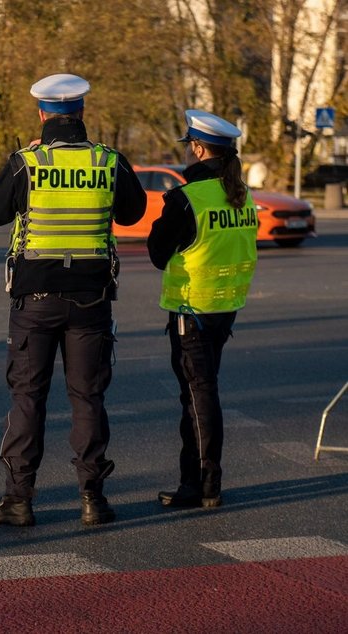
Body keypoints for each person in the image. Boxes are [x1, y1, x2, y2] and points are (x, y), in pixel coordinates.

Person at [0, 73, 146, 527]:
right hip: (91, 299)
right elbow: (134, 213)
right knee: (88, 397)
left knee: (28, 397)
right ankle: (93, 498)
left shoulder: (28, 162)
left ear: (42, 114)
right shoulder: (108, 161)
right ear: (82, 112)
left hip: (35, 300)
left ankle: (18, 500)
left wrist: (17, 162)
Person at [148, 110, 257, 509]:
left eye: (189, 146)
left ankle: (204, 484)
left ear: (197, 148)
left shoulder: (187, 198)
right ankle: (195, 480)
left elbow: (158, 254)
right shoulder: (242, 195)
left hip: (192, 310)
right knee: (201, 394)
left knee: (198, 397)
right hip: (225, 308)